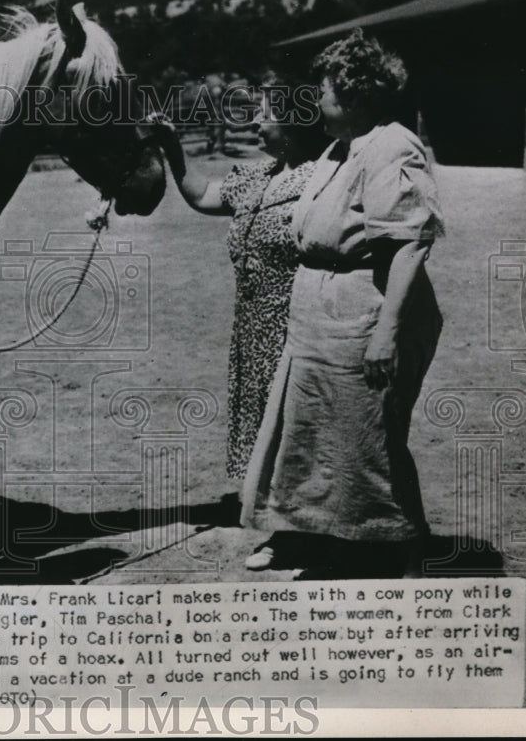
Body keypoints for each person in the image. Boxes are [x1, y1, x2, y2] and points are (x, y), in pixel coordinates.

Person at [240, 30, 444, 579]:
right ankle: (317, 536)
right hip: (319, 313)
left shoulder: (392, 146)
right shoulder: (340, 147)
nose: (317, 99)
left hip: (364, 308)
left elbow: (408, 244)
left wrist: (387, 333)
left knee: (364, 435)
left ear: (353, 94)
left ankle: (389, 546)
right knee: (310, 432)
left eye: (325, 89)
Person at [154, 74, 330, 570]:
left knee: (300, 431)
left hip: (298, 327)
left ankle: (304, 537)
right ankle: (286, 528)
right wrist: (171, 148)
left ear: (297, 120)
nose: (253, 120)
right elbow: (203, 194)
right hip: (254, 329)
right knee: (267, 432)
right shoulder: (259, 174)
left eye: (264, 113)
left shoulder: (324, 179)